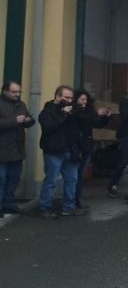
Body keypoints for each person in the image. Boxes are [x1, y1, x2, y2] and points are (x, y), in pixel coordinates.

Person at [37, 85, 82, 218]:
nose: (69, 100)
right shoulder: (47, 112)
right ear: (57, 96)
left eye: (71, 98)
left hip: (70, 150)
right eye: (66, 97)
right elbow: (48, 127)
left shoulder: (71, 111)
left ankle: (69, 206)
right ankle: (45, 207)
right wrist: (64, 114)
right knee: (51, 181)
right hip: (54, 151)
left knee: (72, 179)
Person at [0, 81, 35, 217]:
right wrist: (15, 121)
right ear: (5, 91)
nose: (17, 94)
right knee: (1, 179)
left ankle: (9, 204)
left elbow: (30, 119)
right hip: (2, 148)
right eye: (14, 92)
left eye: (19, 91)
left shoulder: (21, 104)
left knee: (13, 178)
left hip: (17, 148)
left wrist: (28, 120)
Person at [73, 90, 111, 210]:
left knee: (80, 175)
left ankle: (76, 199)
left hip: (86, 146)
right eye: (81, 99)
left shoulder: (88, 112)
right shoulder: (74, 112)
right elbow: (83, 118)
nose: (84, 102)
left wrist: (105, 117)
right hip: (77, 146)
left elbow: (97, 124)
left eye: (85, 100)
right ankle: (73, 200)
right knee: (75, 175)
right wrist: (96, 114)